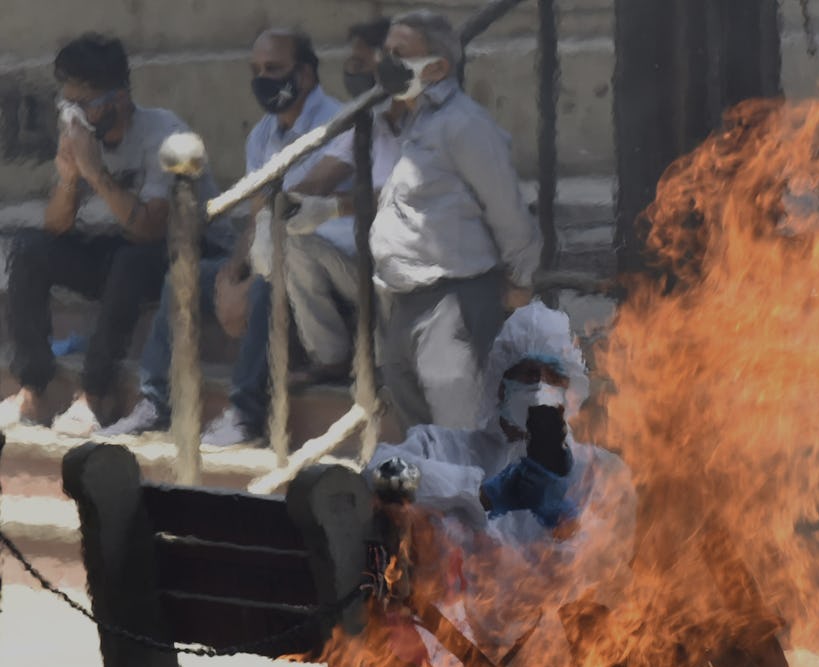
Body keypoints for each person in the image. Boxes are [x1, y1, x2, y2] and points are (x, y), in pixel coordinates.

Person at [102, 29, 346, 446]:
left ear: (305, 74)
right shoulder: (262, 136)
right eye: (256, 71)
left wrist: (251, 282)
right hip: (275, 254)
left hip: (327, 266)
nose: (263, 79)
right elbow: (257, 214)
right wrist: (234, 272)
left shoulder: (339, 122)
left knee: (269, 283)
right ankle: (155, 401)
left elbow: (291, 203)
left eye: (274, 69)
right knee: (186, 277)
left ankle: (247, 417)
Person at [0, 33, 232, 436]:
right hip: (108, 247)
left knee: (130, 259)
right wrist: (71, 179)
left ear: (118, 97)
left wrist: (96, 173)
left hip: (175, 248)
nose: (75, 114)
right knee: (29, 249)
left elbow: (149, 229)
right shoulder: (77, 134)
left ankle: (96, 394)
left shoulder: (165, 134)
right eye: (67, 102)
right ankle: (33, 388)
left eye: (84, 103)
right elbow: (57, 226)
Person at [369, 302, 636, 596]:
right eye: (529, 375)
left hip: (552, 638)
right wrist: (478, 492)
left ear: (571, 391)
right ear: (499, 384)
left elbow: (605, 575)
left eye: (554, 377)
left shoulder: (601, 473)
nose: (540, 389)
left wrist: (562, 522)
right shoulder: (443, 448)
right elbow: (379, 472)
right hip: (449, 635)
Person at [368, 11, 542, 431]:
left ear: (437, 67)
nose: (386, 61)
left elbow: (506, 208)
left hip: (453, 302)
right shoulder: (417, 123)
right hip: (405, 303)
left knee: (461, 440)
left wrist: (520, 279)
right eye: (386, 51)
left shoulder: (464, 123)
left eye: (400, 53)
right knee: (425, 441)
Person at [264, 16, 406, 384]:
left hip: (414, 264)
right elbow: (319, 178)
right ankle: (329, 357)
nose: (351, 72)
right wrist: (288, 206)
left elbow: (409, 195)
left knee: (389, 244)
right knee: (294, 245)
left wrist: (335, 208)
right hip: (365, 264)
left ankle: (387, 372)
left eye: (360, 64)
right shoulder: (369, 119)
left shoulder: (428, 123)